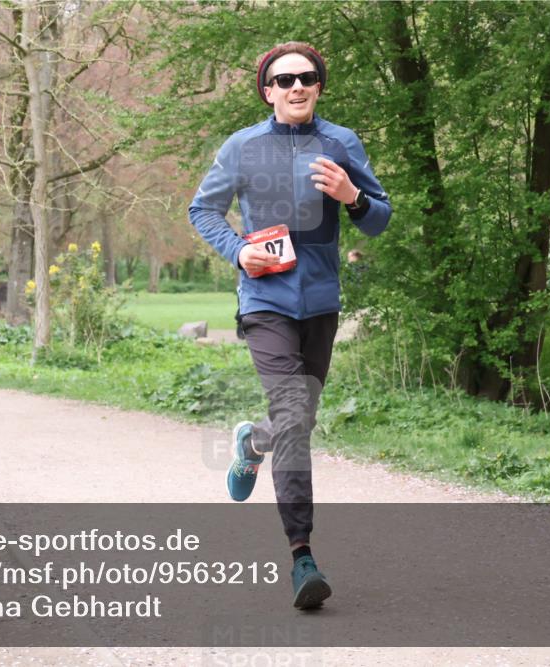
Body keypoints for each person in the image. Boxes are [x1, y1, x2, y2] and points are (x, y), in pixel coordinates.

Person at [188, 42, 391, 609]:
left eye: (306, 78)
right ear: (268, 91)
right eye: (284, 80)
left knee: (296, 418)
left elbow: (379, 219)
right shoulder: (243, 147)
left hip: (320, 304)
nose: (296, 86)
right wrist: (238, 252)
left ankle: (254, 441)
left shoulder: (341, 143)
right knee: (295, 418)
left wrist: (353, 197)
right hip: (265, 301)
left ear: (318, 87)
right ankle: (302, 557)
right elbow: (202, 209)